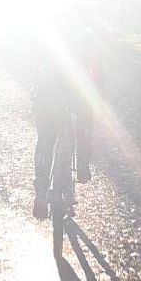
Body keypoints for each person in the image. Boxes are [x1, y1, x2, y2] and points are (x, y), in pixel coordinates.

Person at [31, 20, 103, 219]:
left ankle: (41, 191)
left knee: (45, 140)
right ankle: (82, 166)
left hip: (46, 100)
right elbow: (97, 75)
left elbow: (36, 69)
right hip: (74, 99)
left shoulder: (49, 35)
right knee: (86, 118)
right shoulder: (87, 37)